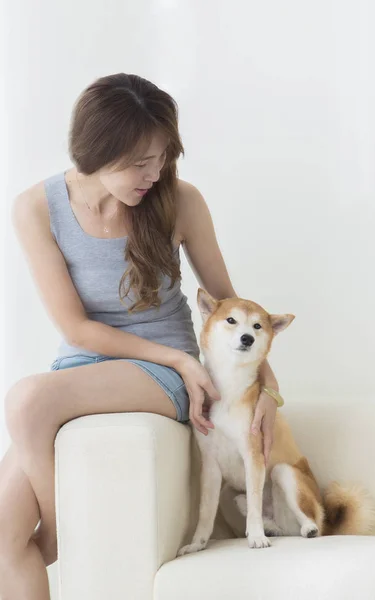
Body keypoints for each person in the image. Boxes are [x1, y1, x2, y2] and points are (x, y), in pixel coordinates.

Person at [0, 73, 280, 598]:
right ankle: (59, 529)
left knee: (27, 398)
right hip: (84, 369)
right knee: (3, 538)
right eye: (138, 162)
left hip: (165, 373)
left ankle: (59, 529)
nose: (153, 173)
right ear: (94, 151)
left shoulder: (181, 200)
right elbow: (75, 328)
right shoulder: (36, 208)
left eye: (162, 158)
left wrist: (266, 391)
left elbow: (233, 304)